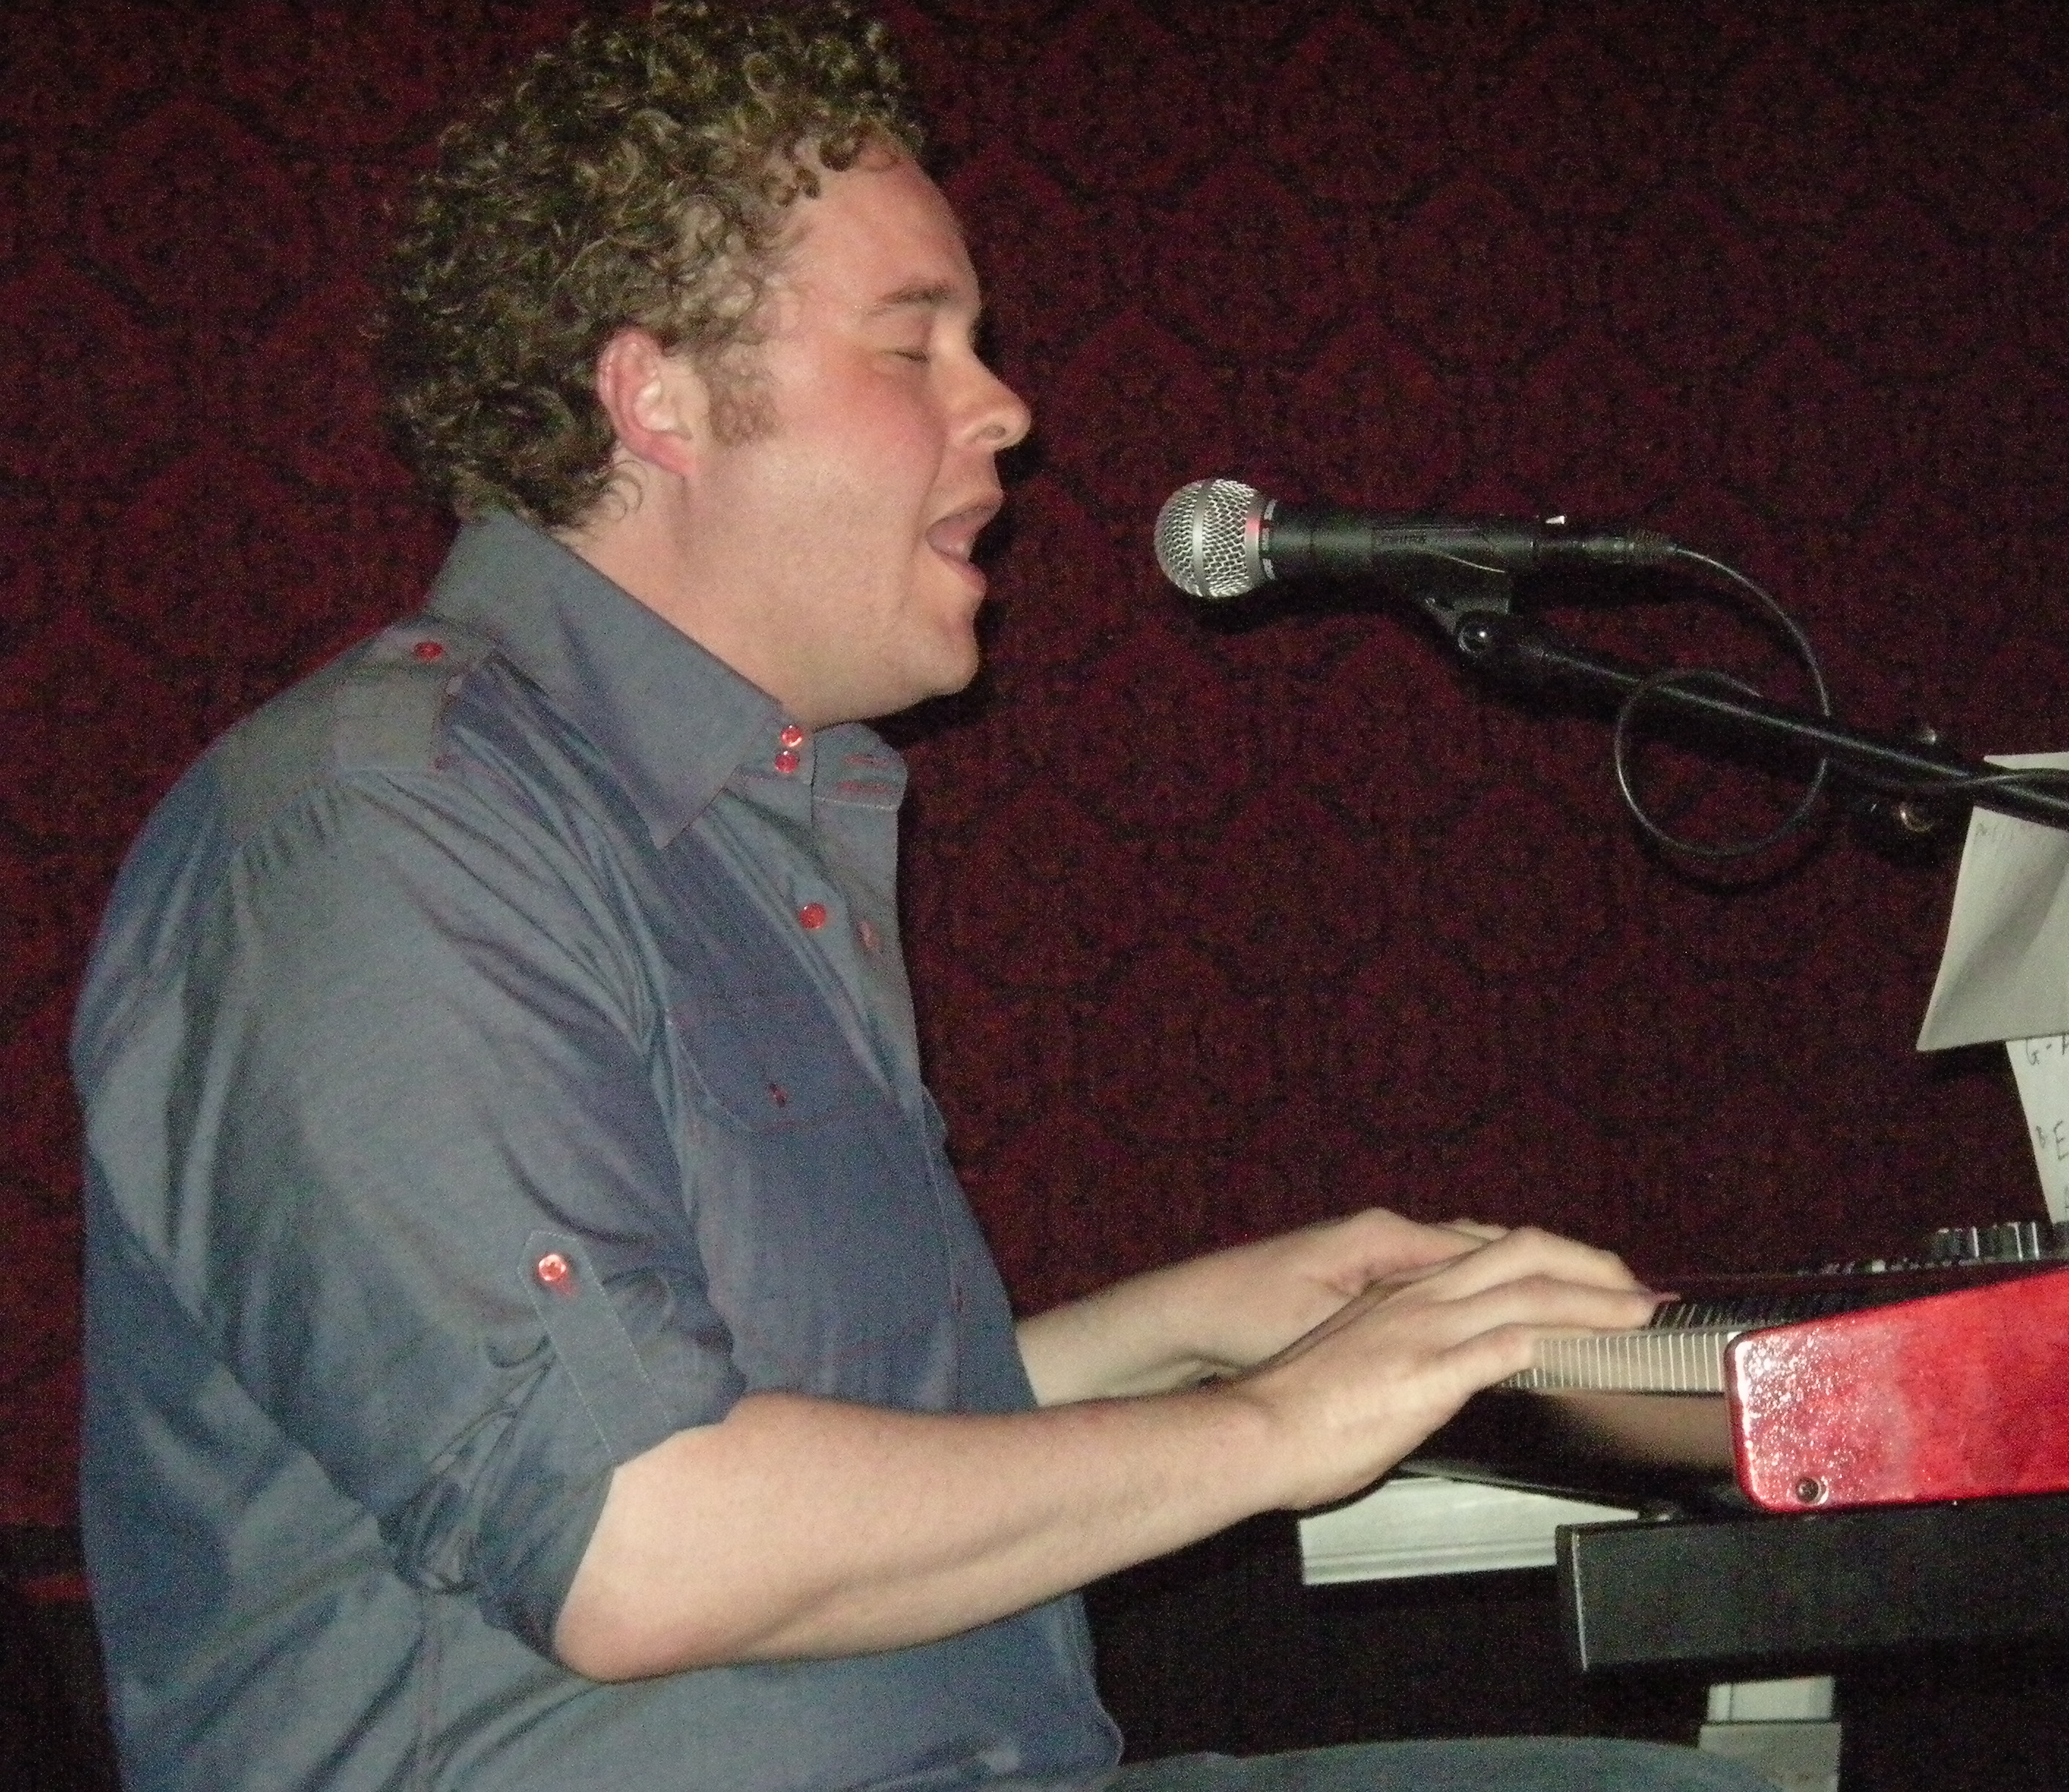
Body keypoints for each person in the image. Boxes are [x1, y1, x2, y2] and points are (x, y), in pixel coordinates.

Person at [71, 6, 1772, 1791]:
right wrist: (1280, 1424)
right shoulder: (377, 829)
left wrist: (1189, 1328)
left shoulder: (734, 832)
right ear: (657, 397)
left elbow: (781, 1437)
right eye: (915, 343)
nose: (1006, 406)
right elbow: (635, 1539)